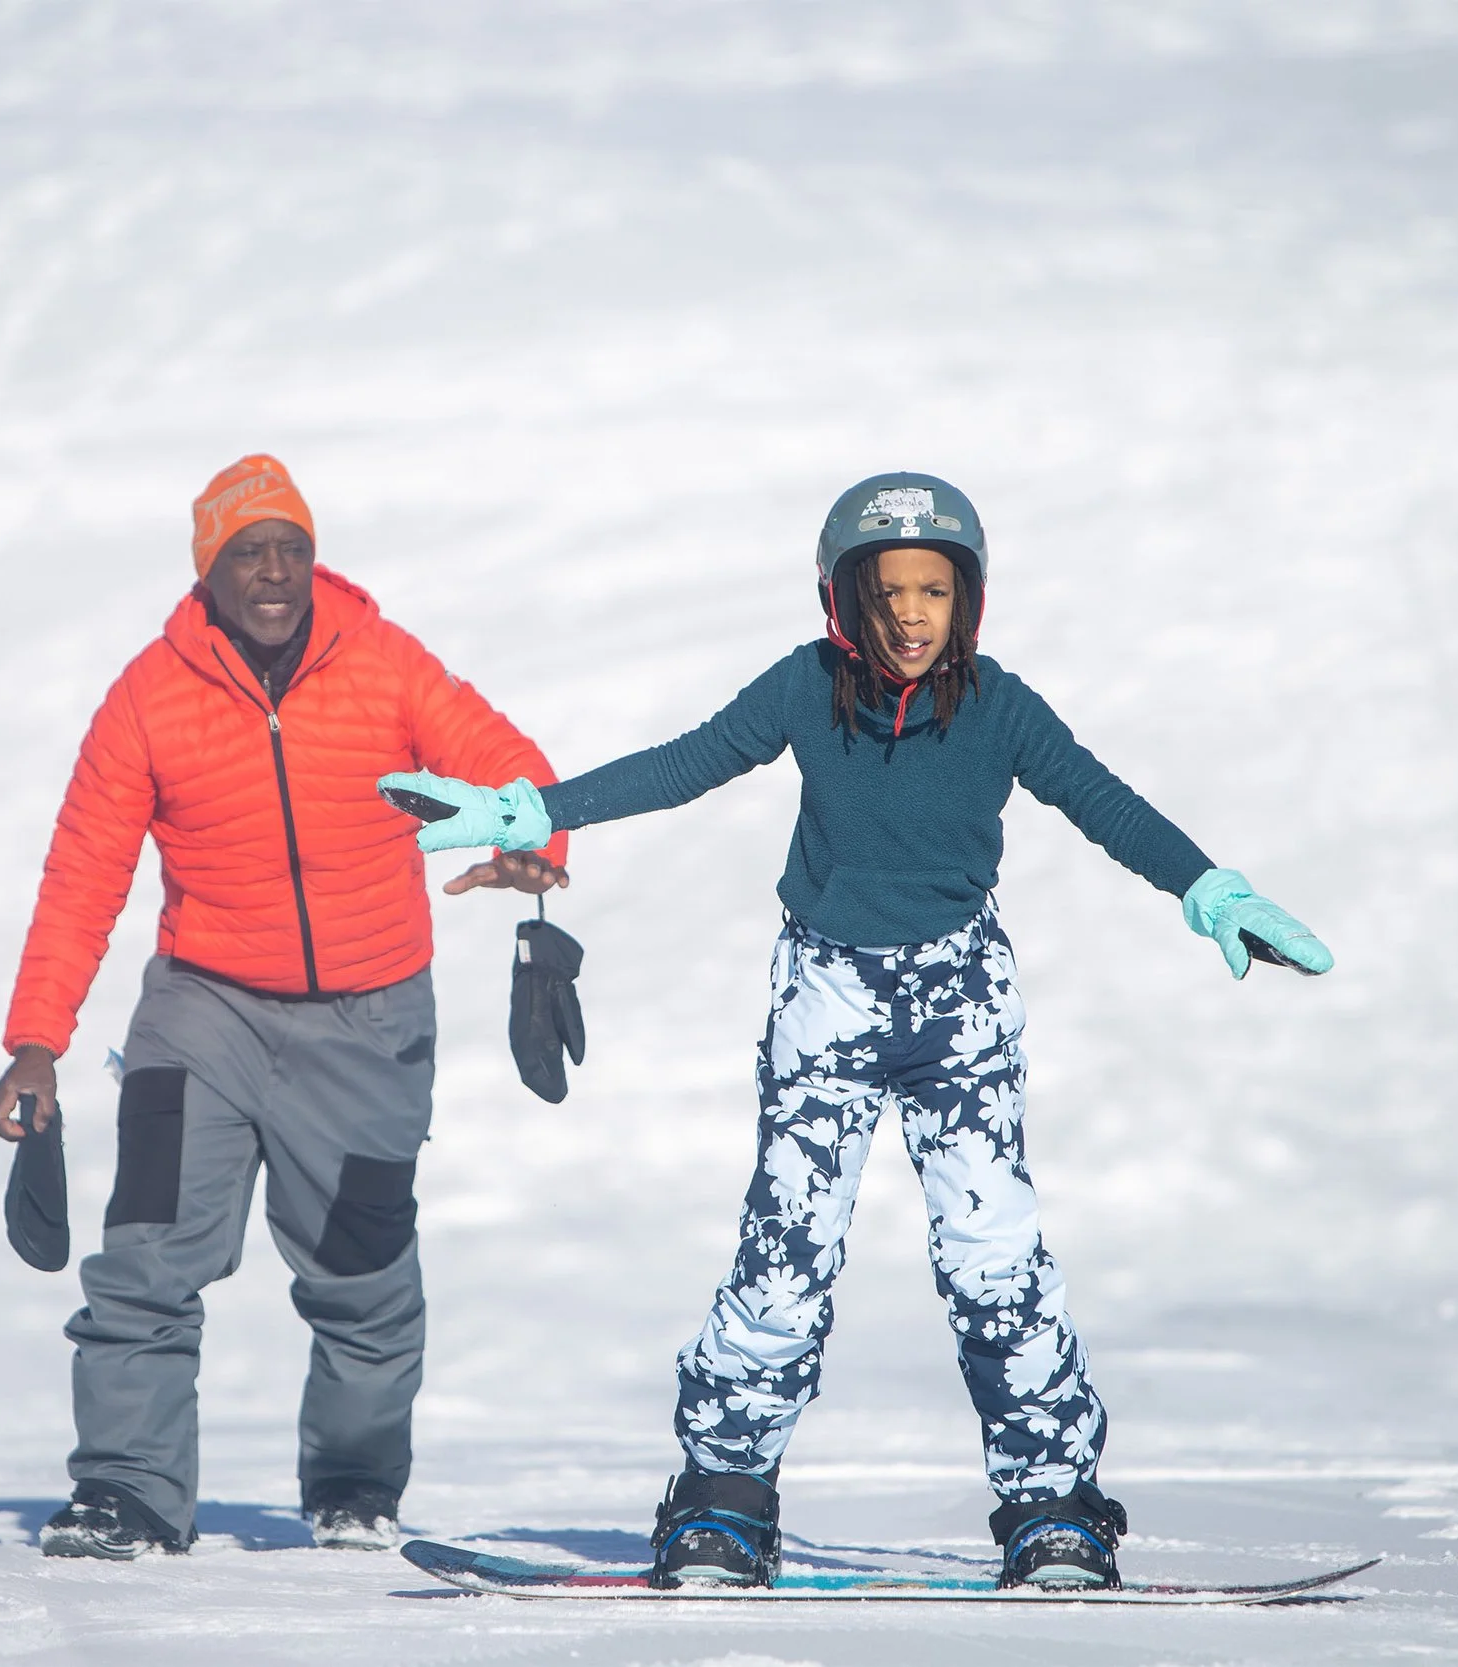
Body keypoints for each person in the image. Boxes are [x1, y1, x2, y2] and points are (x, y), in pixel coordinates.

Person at [378, 471, 1331, 1591]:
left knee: (995, 1256)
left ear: (967, 600)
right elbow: (687, 761)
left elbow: (1103, 800)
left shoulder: (999, 707)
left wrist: (1206, 889)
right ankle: (723, 1501)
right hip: (825, 996)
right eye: (889, 593)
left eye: (936, 589)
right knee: (784, 1258)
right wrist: (537, 808)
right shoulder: (804, 688)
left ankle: (1053, 1504)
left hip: (960, 1000)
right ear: (842, 602)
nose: (914, 614)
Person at [0, 454, 568, 1558]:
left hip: (370, 1021)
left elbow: (510, 766)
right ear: (207, 570)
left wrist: (530, 839)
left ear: (314, 559)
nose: (272, 572)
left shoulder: (386, 666)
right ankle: (128, 1488)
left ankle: (354, 1481)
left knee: (361, 1274)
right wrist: (36, 1040)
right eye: (245, 553)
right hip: (201, 1013)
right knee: (146, 1255)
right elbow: (82, 874)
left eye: (290, 550)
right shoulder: (148, 698)